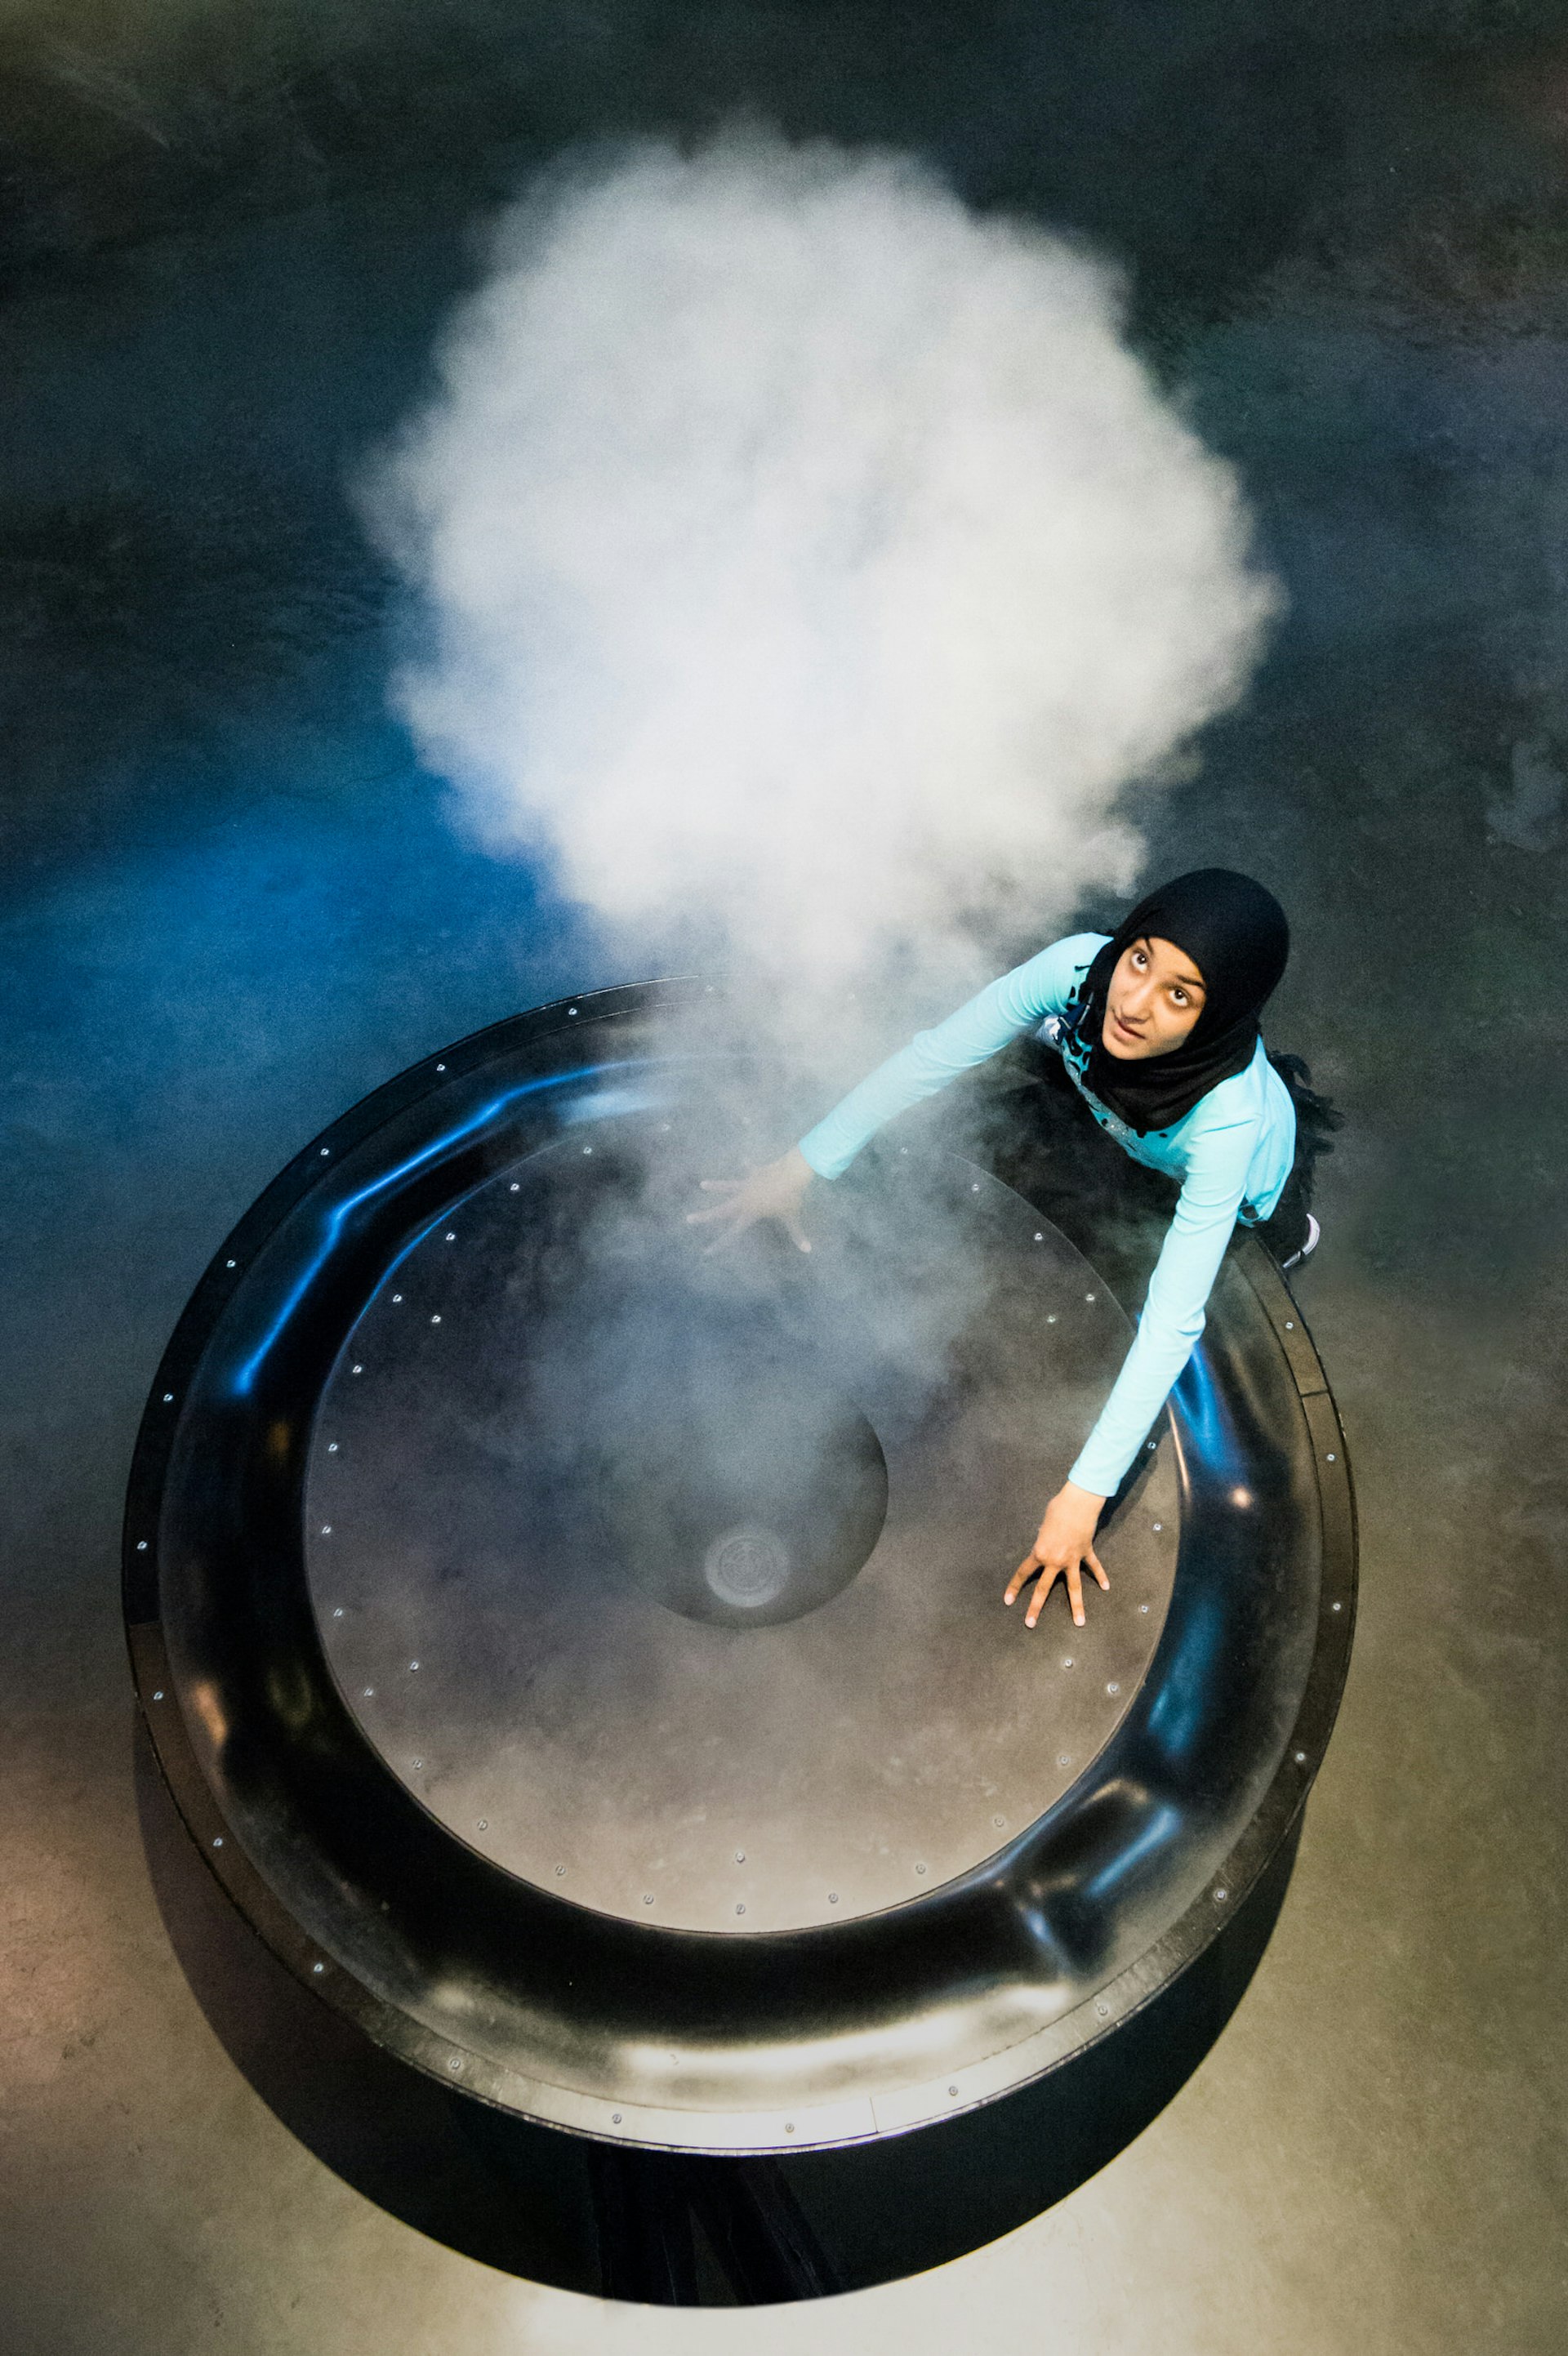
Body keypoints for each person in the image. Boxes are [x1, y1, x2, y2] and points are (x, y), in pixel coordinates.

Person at [689, 868, 1336, 1632]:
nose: (1134, 1004)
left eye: (1181, 996)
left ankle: (1288, 1242)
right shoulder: (1075, 971)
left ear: (1218, 1014)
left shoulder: (1227, 1125)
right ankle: (1109, 1119)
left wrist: (1083, 1495)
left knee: (1229, 1254)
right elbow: (933, 1056)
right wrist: (801, 1164)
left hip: (1219, 1180)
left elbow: (1170, 1321)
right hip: (1115, 1114)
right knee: (1061, 1092)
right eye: (1140, 961)